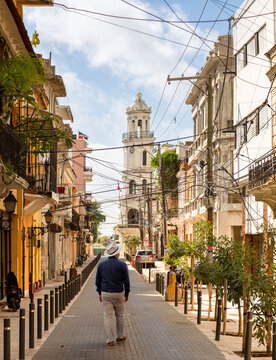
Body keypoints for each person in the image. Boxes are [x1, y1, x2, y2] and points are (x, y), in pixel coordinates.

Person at [96, 242, 130, 348]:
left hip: (106, 293)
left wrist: (100, 292)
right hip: (119, 293)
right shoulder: (122, 265)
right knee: (120, 315)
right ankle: (120, 336)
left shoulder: (101, 265)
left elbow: (98, 281)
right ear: (117, 254)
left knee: (108, 316)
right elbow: (126, 281)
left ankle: (110, 340)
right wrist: (127, 293)